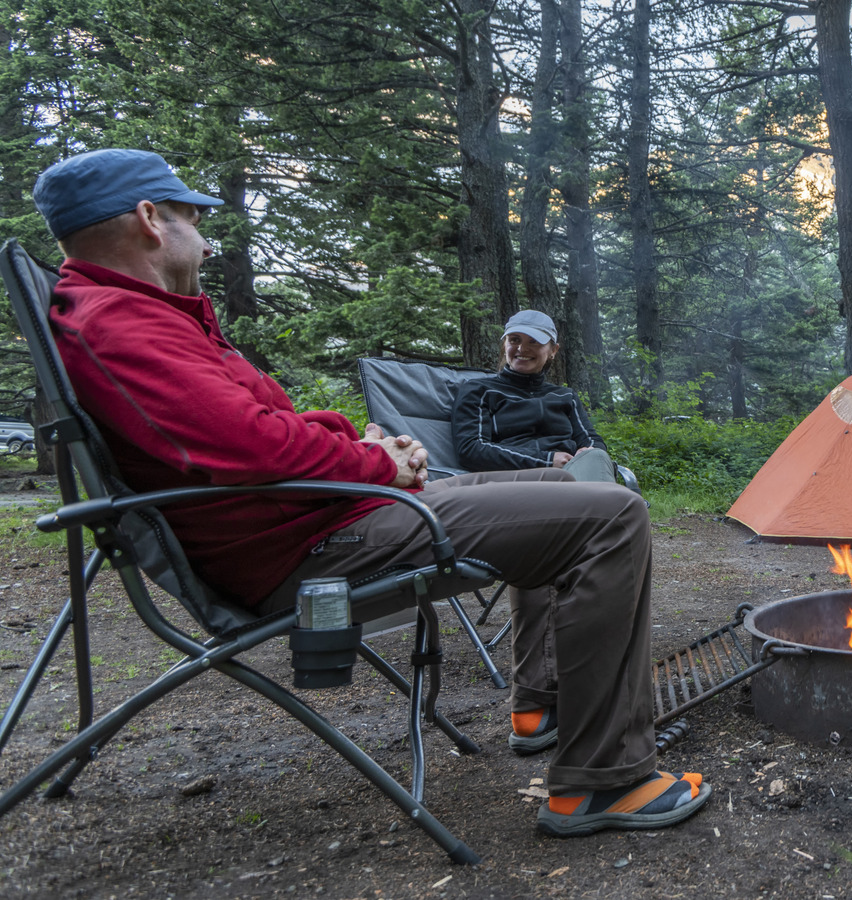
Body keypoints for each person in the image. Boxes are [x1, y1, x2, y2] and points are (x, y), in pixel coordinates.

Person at [31, 148, 708, 837]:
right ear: (150, 220)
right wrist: (377, 464)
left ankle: (543, 703)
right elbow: (254, 447)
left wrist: (369, 450)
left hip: (329, 514)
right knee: (611, 517)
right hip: (311, 545)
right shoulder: (120, 324)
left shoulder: (146, 314)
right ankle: (603, 782)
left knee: (567, 488)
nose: (206, 237)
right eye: (194, 216)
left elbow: (265, 428)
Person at [451, 311, 617, 483]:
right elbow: (471, 450)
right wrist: (546, 460)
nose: (522, 349)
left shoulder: (565, 396)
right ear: (504, 345)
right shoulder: (479, 390)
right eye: (514, 340)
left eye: (534, 341)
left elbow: (591, 440)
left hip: (571, 477)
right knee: (614, 500)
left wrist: (588, 452)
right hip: (511, 480)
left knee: (596, 457)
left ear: (553, 350)